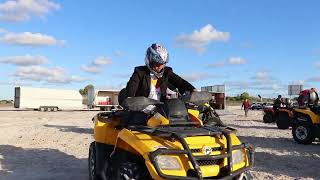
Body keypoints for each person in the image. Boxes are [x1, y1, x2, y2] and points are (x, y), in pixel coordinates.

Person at [125, 43, 195, 102]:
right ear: (149, 60)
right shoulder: (140, 72)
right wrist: (129, 98)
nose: (159, 66)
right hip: (142, 111)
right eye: (156, 63)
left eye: (162, 63)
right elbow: (131, 88)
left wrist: (193, 91)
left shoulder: (167, 72)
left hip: (161, 110)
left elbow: (180, 82)